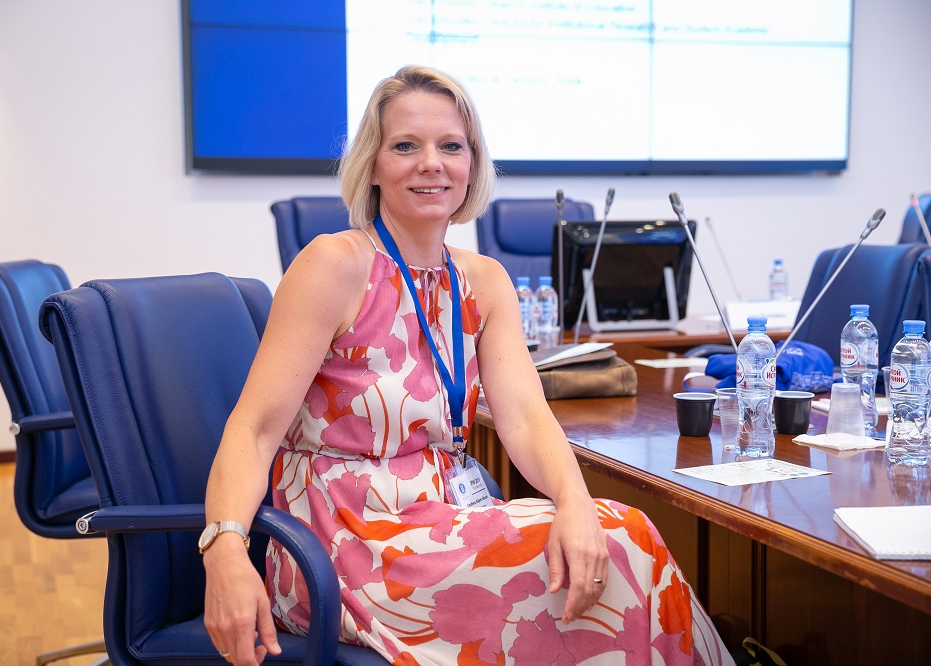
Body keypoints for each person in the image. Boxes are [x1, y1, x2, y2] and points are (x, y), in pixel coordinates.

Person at [202, 65, 735, 666]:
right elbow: (254, 429)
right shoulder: (333, 265)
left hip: (445, 519)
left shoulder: (483, 280)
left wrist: (576, 504)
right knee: (623, 544)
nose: (431, 163)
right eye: (406, 146)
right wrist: (224, 548)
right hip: (345, 542)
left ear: (473, 165)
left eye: (451, 147)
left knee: (609, 536)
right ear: (372, 165)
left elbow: (526, 417)